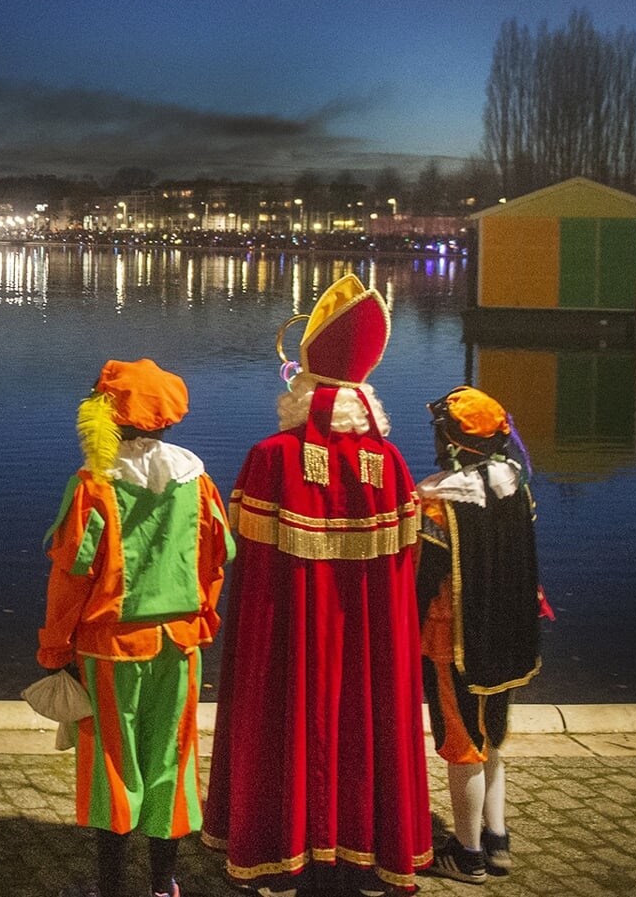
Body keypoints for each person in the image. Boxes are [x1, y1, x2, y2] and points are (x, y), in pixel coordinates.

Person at [203, 275, 432, 896]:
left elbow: (246, 566)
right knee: (366, 719)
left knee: (290, 719)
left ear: (302, 391)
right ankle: (365, 849)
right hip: (369, 648)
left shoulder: (271, 458)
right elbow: (405, 568)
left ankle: (285, 844)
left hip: (288, 640)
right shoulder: (393, 464)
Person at [39, 359, 234, 897]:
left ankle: (109, 889)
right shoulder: (198, 481)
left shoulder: (94, 486)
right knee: (169, 757)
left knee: (112, 764)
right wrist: (204, 622)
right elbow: (215, 562)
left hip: (110, 649)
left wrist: (54, 648)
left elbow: (70, 578)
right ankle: (162, 885)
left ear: (107, 416)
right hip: (180, 645)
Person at [416, 386, 544, 884]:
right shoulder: (517, 485)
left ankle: (467, 855)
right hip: (509, 634)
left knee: (461, 745)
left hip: (455, 642)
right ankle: (496, 836)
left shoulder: (437, 502)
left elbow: (423, 583)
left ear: (451, 440)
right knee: (492, 740)